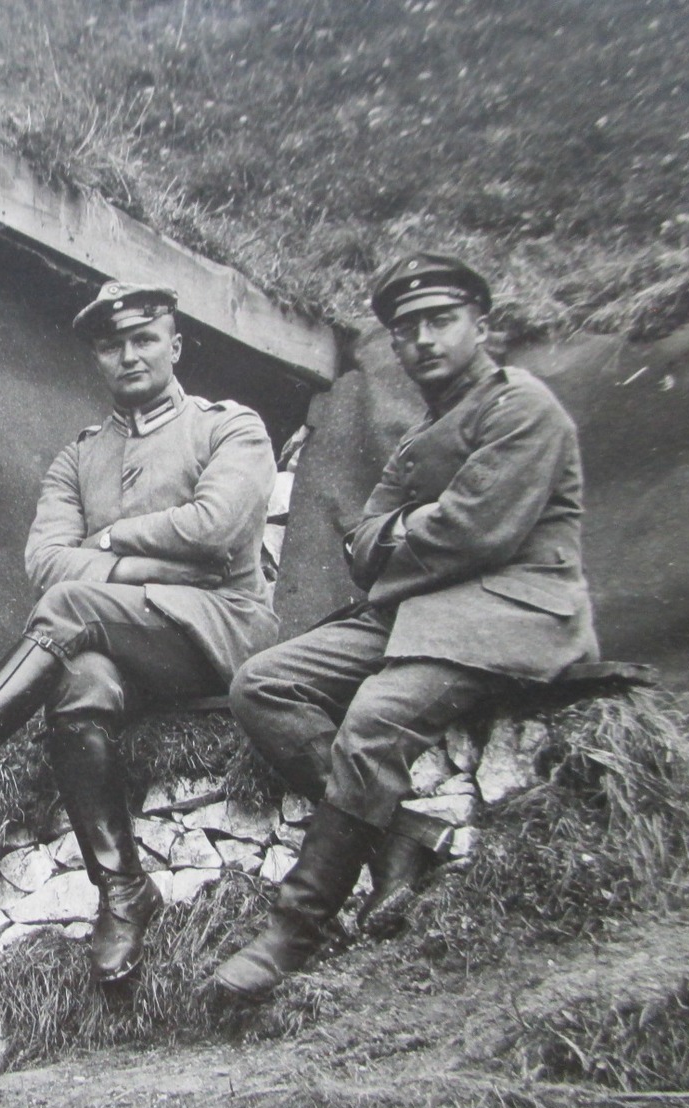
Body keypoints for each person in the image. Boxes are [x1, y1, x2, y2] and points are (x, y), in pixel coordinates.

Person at [0, 282, 280, 984]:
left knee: (77, 605)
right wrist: (154, 565)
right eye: (112, 346)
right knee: (80, 684)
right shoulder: (77, 458)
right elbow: (46, 564)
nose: (129, 355)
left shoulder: (228, 428)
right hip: (125, 640)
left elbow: (218, 528)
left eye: (144, 339)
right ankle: (122, 891)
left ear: (174, 347)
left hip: (222, 633)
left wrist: (110, 538)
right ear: (98, 362)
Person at [214, 253, 599, 1000]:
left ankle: (294, 930)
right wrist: (404, 533)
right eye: (405, 329)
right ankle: (402, 841)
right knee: (263, 682)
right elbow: (358, 547)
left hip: (509, 610)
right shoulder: (425, 431)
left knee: (375, 719)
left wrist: (400, 531)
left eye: (440, 320)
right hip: (421, 608)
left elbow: (476, 533)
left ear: (480, 325)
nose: (422, 340)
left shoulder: (524, 409)